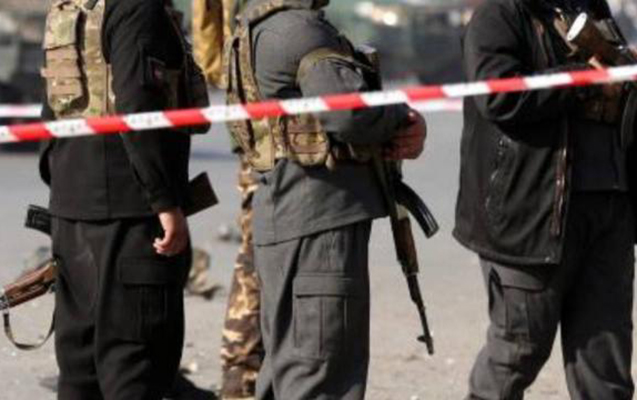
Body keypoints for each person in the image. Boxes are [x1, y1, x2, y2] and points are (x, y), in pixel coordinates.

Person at [224, 0, 427, 398]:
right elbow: (349, 114)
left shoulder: (262, 25)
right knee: (320, 370)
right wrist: (402, 116)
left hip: (289, 217)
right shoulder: (301, 31)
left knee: (290, 365)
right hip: (319, 225)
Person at [455, 0, 637, 398]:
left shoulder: (591, 7)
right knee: (518, 350)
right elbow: (498, 96)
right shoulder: (500, 14)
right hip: (531, 217)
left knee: (605, 364)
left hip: (609, 209)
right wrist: (582, 80)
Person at [39, 0, 208, 398]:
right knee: (135, 363)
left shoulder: (71, 7)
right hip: (130, 218)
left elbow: (51, 109)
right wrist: (165, 204)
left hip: (72, 211)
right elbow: (137, 110)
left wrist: (65, 190)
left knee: (80, 369)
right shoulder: (137, 8)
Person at [192, 0, 264, 398]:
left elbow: (212, 60)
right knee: (258, 253)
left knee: (257, 249)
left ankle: (243, 370)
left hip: (252, 113)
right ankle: (242, 372)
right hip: (262, 121)